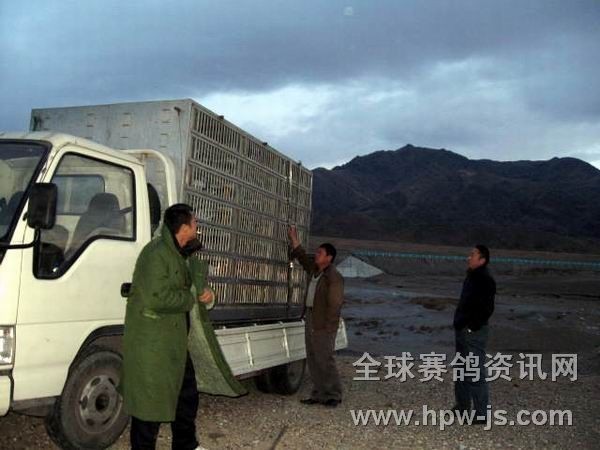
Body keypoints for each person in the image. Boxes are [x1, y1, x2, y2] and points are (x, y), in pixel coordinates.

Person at [121, 203, 214, 449]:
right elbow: (156, 298)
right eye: (194, 222)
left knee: (186, 396)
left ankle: (186, 445)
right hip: (154, 345)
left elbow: (194, 285)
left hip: (175, 344)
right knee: (148, 406)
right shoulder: (156, 254)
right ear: (184, 228)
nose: (197, 226)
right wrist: (189, 298)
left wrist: (207, 295)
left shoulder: (182, 252)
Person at [288, 226, 344, 408]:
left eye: (320, 253)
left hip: (324, 322)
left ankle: (333, 394)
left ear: (329, 257)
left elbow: (335, 304)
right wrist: (294, 239)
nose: (317, 255)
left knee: (325, 358)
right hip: (311, 317)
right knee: (312, 358)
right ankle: (319, 393)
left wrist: (329, 328)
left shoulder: (333, 277)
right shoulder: (315, 270)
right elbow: (303, 258)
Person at [452, 244, 496, 424]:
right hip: (463, 329)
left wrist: (472, 326)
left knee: (475, 371)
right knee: (461, 369)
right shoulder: (472, 276)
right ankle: (462, 406)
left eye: (472, 255)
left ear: (482, 260)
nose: (468, 257)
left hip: (473, 332)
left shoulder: (485, 280)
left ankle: (481, 413)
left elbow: (487, 309)